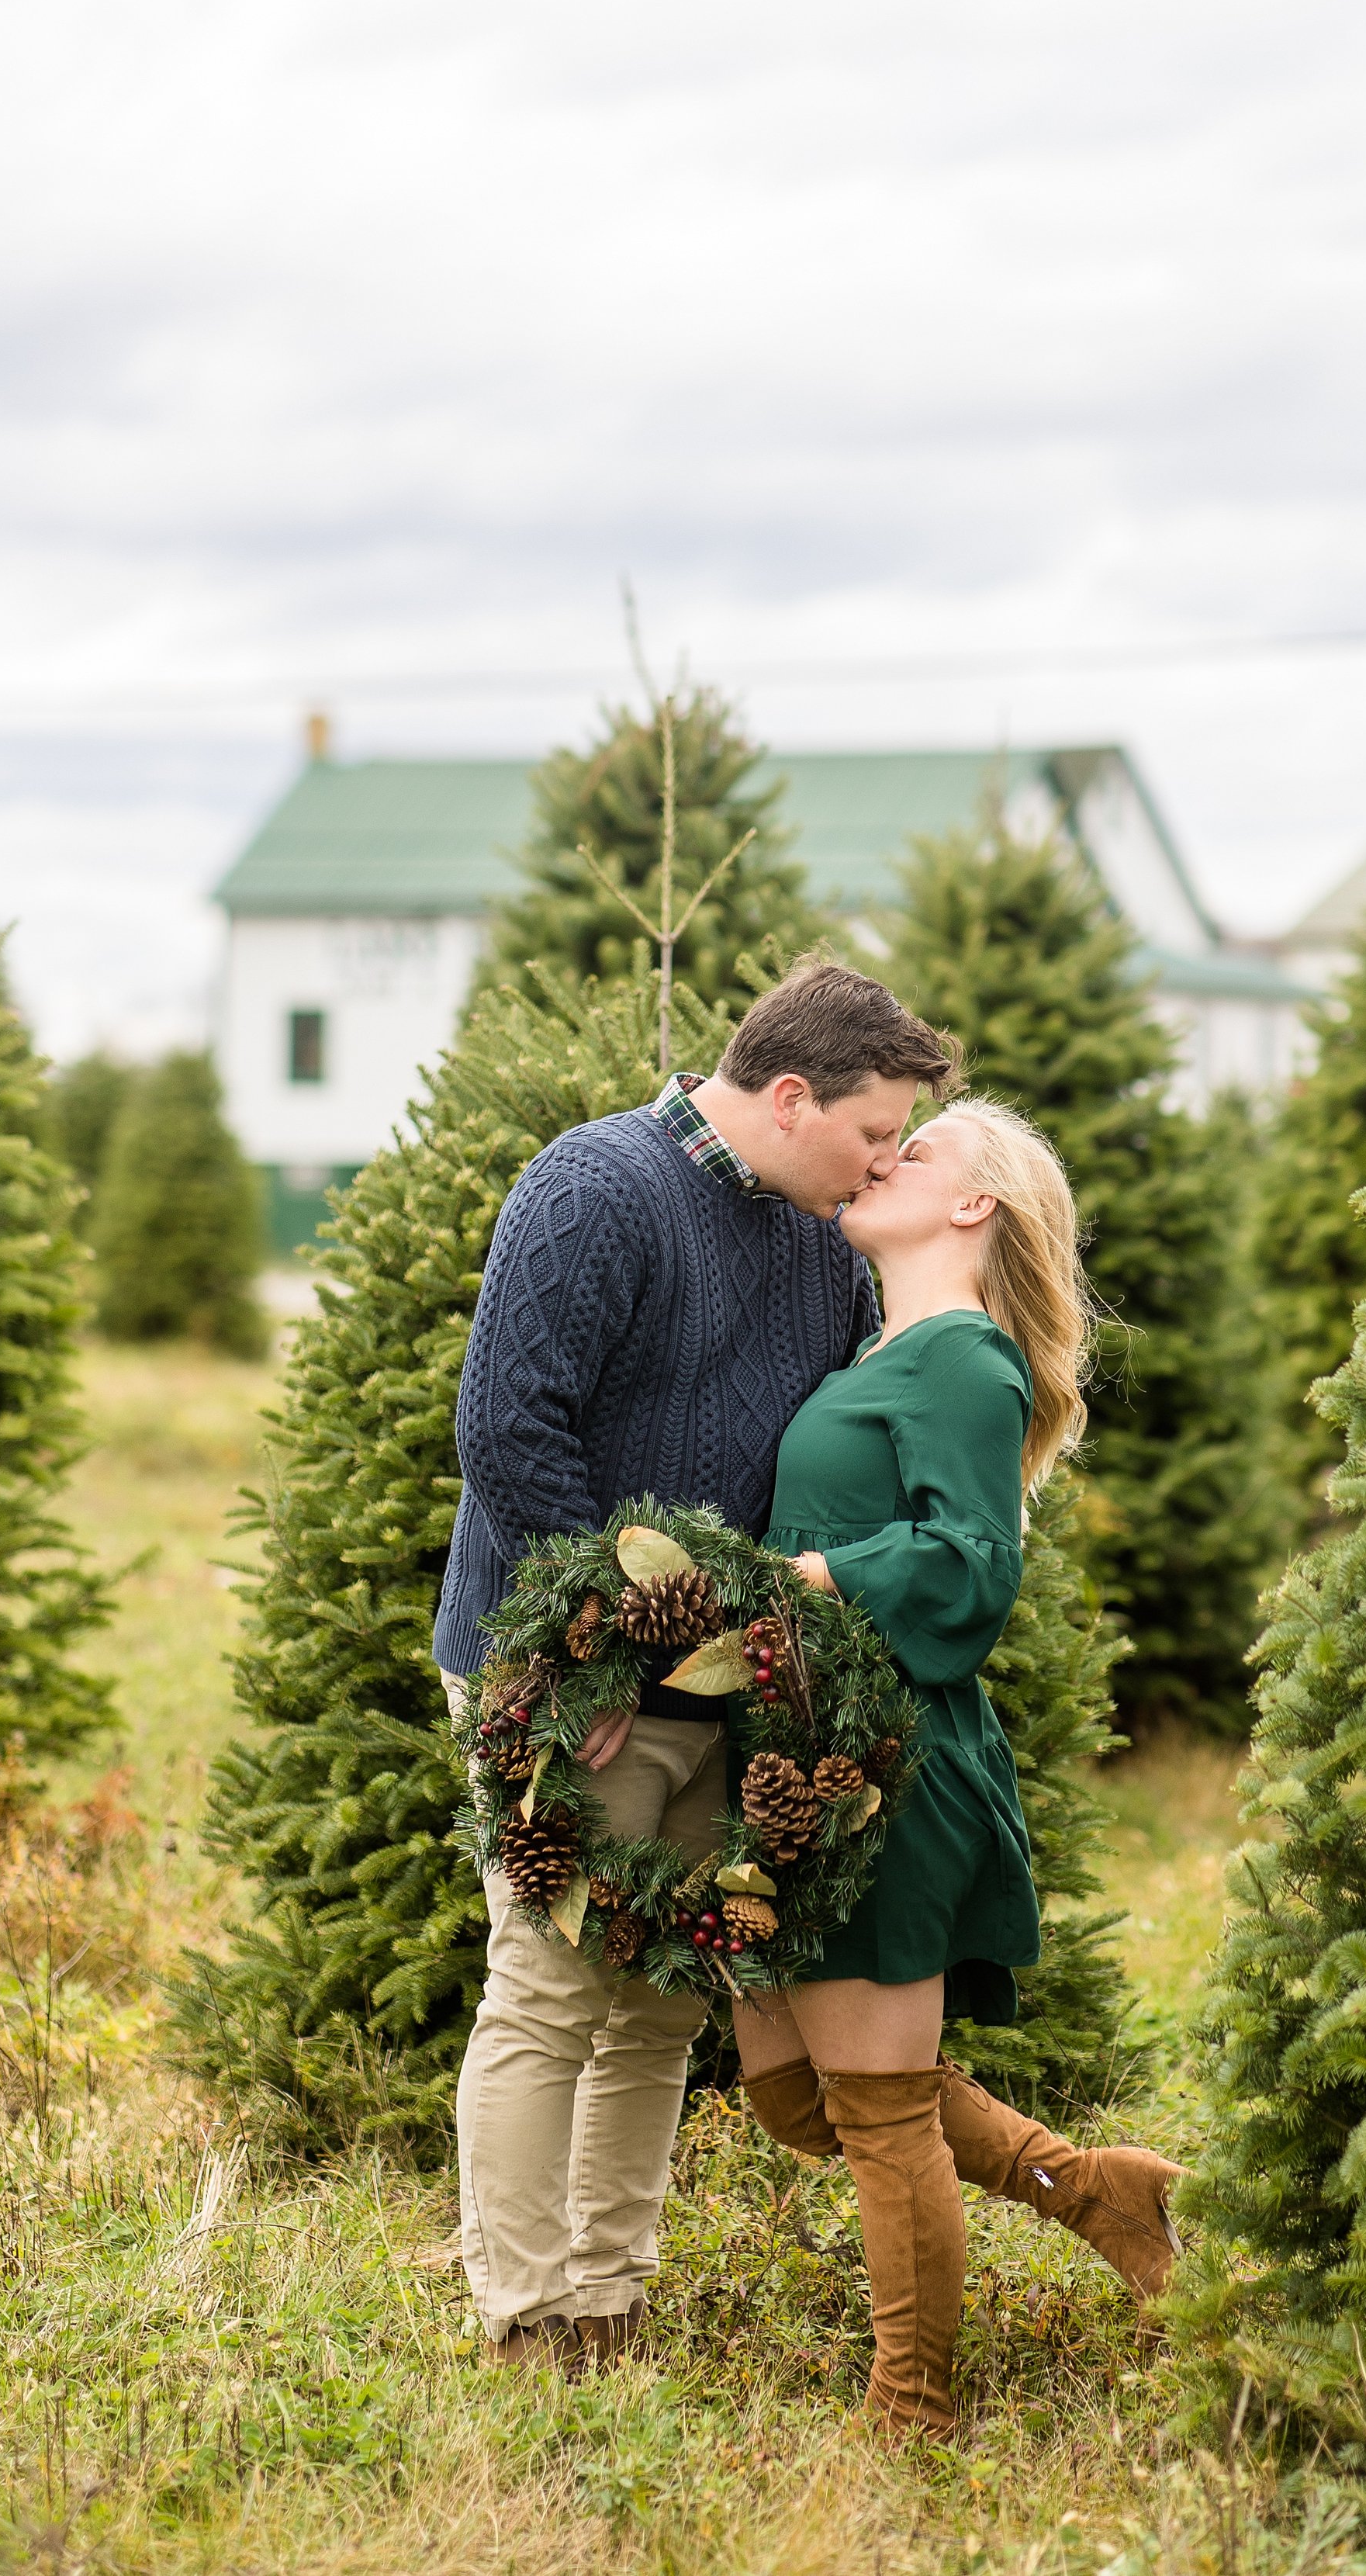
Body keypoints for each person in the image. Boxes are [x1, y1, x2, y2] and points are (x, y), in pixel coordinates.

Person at [438, 961, 958, 2367]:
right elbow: (508, 1433)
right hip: (564, 1675)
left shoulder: (820, 1240)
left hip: (717, 1680)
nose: (889, 1161)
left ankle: (609, 2298)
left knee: (661, 1998)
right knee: (549, 1988)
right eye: (875, 1133)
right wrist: (587, 1661)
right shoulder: (591, 1188)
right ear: (792, 1097)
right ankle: (526, 2312)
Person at [733, 1096, 1186, 2441]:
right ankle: (1094, 2187)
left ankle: (912, 2412)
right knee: (789, 2089)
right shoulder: (886, 1345)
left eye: (915, 1150)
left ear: (974, 1207)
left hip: (885, 1763)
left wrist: (815, 1574)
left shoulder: (963, 1363)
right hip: (801, 1748)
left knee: (873, 2112)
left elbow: (977, 1565)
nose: (884, 1156)